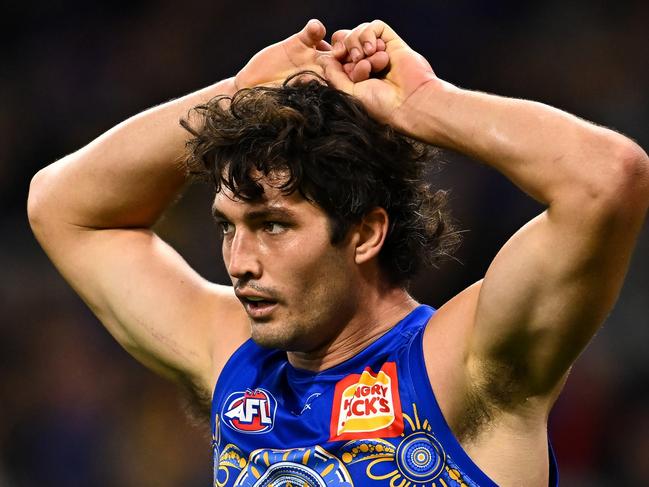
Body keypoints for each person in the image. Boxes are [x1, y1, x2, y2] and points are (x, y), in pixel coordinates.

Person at [27, 18, 648, 487]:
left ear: (365, 234)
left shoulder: (466, 365)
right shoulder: (230, 359)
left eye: (272, 226)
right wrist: (238, 96)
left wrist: (425, 104)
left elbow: (607, 178)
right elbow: (61, 205)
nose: (239, 261)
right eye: (227, 227)